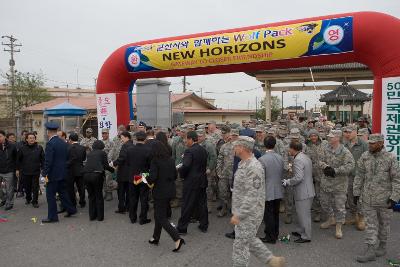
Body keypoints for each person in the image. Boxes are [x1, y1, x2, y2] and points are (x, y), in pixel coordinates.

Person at [230, 136, 285, 267]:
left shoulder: (254, 167)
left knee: (240, 247)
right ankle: (272, 260)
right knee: (247, 240)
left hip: (249, 213)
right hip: (242, 211)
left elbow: (252, 196)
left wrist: (239, 214)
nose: (234, 148)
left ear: (242, 148)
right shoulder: (242, 163)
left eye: (236, 145)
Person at [353, 134, 400, 263]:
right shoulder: (365, 156)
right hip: (368, 198)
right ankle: (370, 250)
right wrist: (356, 192)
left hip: (385, 200)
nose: (370, 145)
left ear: (381, 143)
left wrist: (394, 197)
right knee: (370, 225)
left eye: (373, 143)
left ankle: (382, 246)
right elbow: (359, 175)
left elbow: (397, 179)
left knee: (384, 225)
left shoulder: (390, 158)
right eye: (369, 143)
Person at [147, 140, 185, 252]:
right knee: (159, 214)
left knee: (161, 217)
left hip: (160, 192)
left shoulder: (155, 161)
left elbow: (153, 177)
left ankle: (177, 238)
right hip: (170, 191)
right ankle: (155, 237)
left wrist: (145, 178)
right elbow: (174, 175)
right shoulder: (171, 159)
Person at [319, 130, 355, 239]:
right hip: (326, 183)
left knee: (339, 207)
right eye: (329, 137)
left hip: (339, 184)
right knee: (324, 203)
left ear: (337, 138)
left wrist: (335, 170)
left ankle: (339, 226)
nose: (329, 138)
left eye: (331, 137)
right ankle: (331, 218)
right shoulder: (326, 149)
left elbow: (351, 165)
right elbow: (320, 160)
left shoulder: (345, 152)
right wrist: (325, 167)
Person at [41, 122, 77, 223]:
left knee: (50, 196)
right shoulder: (63, 142)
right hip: (63, 172)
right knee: (63, 193)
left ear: (48, 132)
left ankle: (52, 217)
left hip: (53, 174)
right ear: (56, 131)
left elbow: (48, 161)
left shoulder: (50, 144)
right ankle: (71, 209)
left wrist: (44, 174)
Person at [177, 131, 209, 234]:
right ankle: (204, 225)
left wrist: (181, 173)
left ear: (191, 139)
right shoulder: (203, 150)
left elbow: (185, 166)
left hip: (191, 181)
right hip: (202, 180)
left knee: (187, 204)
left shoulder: (189, 151)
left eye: (187, 139)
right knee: (202, 204)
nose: (186, 141)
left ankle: (182, 228)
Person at [283, 141, 315, 243]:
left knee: (304, 214)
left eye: (289, 148)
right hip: (308, 189)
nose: (288, 150)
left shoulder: (298, 160)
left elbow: (298, 177)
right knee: (301, 213)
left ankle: (306, 236)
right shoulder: (305, 156)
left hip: (303, 191)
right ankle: (302, 230)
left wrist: (288, 181)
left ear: (293, 149)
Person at [258, 136, 284, 244]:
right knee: (275, 213)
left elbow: (260, 177)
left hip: (267, 189)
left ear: (264, 145)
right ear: (274, 145)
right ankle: (275, 233)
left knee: (268, 214)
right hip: (278, 188)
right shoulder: (280, 157)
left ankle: (270, 236)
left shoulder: (262, 159)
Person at [343, 125, 368, 230]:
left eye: (349, 132)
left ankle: (362, 218)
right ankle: (354, 216)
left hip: (360, 176)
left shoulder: (363, 144)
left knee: (360, 197)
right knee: (349, 197)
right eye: (346, 132)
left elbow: (368, 159)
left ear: (355, 132)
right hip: (347, 175)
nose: (347, 134)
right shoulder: (345, 144)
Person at [83, 140, 114, 221]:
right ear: (102, 146)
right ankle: (100, 217)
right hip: (96, 175)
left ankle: (92, 216)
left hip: (86, 175)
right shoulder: (102, 153)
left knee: (91, 196)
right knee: (98, 196)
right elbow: (106, 165)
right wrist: (113, 170)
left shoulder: (89, 154)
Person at [127, 131, 152, 224]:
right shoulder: (148, 150)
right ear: (145, 139)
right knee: (144, 197)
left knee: (133, 197)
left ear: (136, 139)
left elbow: (128, 163)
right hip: (144, 175)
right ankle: (143, 218)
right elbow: (150, 165)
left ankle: (132, 217)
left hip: (133, 174)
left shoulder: (130, 149)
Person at [16, 132, 44, 208]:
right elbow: (18, 160)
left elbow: (43, 159)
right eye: (30, 138)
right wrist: (17, 169)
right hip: (25, 171)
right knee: (27, 187)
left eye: (33, 138)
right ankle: (28, 198)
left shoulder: (39, 148)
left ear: (35, 139)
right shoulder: (22, 148)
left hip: (36, 171)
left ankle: (35, 201)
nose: (32, 139)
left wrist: (43, 168)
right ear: (27, 139)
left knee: (35, 186)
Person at [304, 129, 327, 222]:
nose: (313, 137)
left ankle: (327, 213)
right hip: (312, 173)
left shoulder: (324, 144)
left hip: (324, 173)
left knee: (325, 194)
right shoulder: (306, 146)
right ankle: (317, 212)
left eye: (315, 135)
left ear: (318, 136)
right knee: (315, 194)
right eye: (311, 136)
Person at [112, 131, 134, 214]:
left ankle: (121, 207)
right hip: (130, 172)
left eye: (121, 137)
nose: (121, 139)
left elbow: (122, 158)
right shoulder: (132, 145)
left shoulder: (125, 146)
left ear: (126, 137)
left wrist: (114, 163)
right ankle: (128, 207)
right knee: (129, 191)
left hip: (123, 172)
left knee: (121, 191)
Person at [66, 133, 87, 208]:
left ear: (70, 139)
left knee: (71, 188)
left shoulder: (68, 147)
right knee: (81, 187)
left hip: (71, 170)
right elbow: (84, 159)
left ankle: (73, 202)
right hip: (80, 169)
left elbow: (67, 159)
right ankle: (82, 202)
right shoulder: (82, 148)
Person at [0, 130, 17, 210]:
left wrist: (17, 169)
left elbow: (16, 158)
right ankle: (3, 199)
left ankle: (9, 203)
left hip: (9, 170)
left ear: (4, 136)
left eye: (0, 136)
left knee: (9, 188)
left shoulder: (12, 146)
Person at [100, 128, 115, 201]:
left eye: (105, 133)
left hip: (108, 163)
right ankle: (105, 192)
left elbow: (111, 153)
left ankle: (109, 193)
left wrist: (106, 161)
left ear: (108, 134)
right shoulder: (100, 142)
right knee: (102, 179)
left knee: (108, 178)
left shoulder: (111, 142)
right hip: (100, 164)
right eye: (103, 133)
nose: (104, 135)